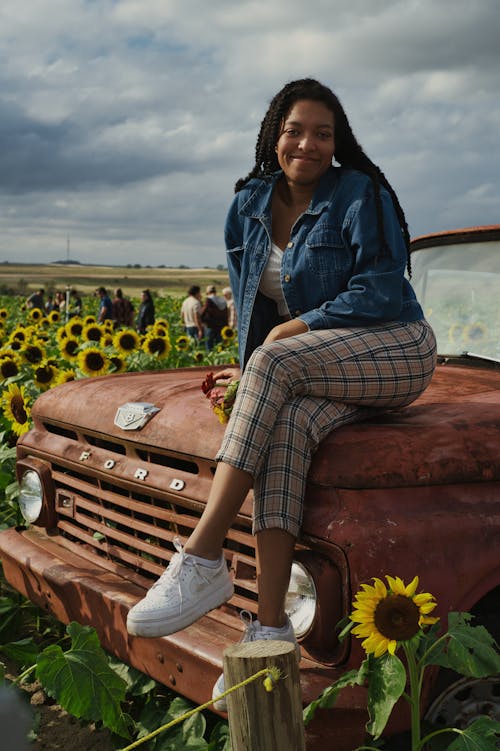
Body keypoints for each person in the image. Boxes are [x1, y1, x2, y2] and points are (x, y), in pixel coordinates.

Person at [126, 78, 437, 709]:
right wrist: (253, 371)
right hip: (316, 366)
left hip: (396, 350)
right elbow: (250, 304)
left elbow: (381, 290)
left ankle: (203, 554)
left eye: (324, 133)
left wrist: (281, 343)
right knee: (285, 427)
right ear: (275, 133)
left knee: (273, 369)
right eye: (296, 129)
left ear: (337, 141)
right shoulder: (248, 204)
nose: (309, 143)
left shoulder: (360, 194)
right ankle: (270, 634)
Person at [200, 284, 228, 350]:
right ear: (215, 291)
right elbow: (226, 313)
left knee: (209, 346)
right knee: (220, 345)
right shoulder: (222, 300)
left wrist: (202, 321)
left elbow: (203, 312)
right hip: (221, 326)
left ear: (208, 292)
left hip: (210, 326)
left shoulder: (209, 300)